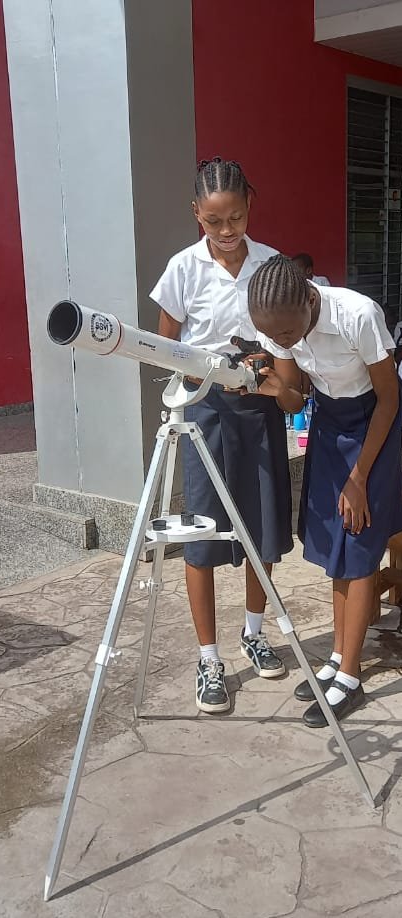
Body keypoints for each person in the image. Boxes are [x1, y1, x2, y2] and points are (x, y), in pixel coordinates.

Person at [150, 158, 301, 714]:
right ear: (197, 215)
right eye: (214, 221)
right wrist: (207, 373)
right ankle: (209, 656)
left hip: (259, 409)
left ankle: (254, 632)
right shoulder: (183, 269)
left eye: (235, 216)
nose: (227, 230)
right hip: (204, 413)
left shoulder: (270, 266)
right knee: (204, 533)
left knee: (261, 528)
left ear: (250, 206)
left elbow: (288, 342)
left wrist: (262, 372)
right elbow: (166, 347)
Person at [247, 254, 402, 727]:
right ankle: (338, 657)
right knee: (336, 547)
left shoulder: (357, 314)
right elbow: (296, 395)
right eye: (275, 338)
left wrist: (358, 479)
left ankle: (350, 677)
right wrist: (271, 387)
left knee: (358, 544)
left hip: (378, 426)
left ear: (310, 300)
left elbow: (390, 398)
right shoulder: (278, 325)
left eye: (289, 336)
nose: (282, 343)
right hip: (331, 426)